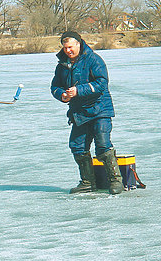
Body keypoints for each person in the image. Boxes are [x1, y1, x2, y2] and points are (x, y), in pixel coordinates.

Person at [51, 31, 124, 195]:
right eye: (65, 48)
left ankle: (116, 181)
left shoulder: (93, 60)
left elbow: (101, 83)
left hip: (100, 109)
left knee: (103, 144)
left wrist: (78, 90)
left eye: (70, 47)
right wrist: (61, 95)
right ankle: (87, 182)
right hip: (79, 112)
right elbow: (54, 86)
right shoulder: (62, 65)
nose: (68, 51)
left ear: (79, 43)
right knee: (77, 146)